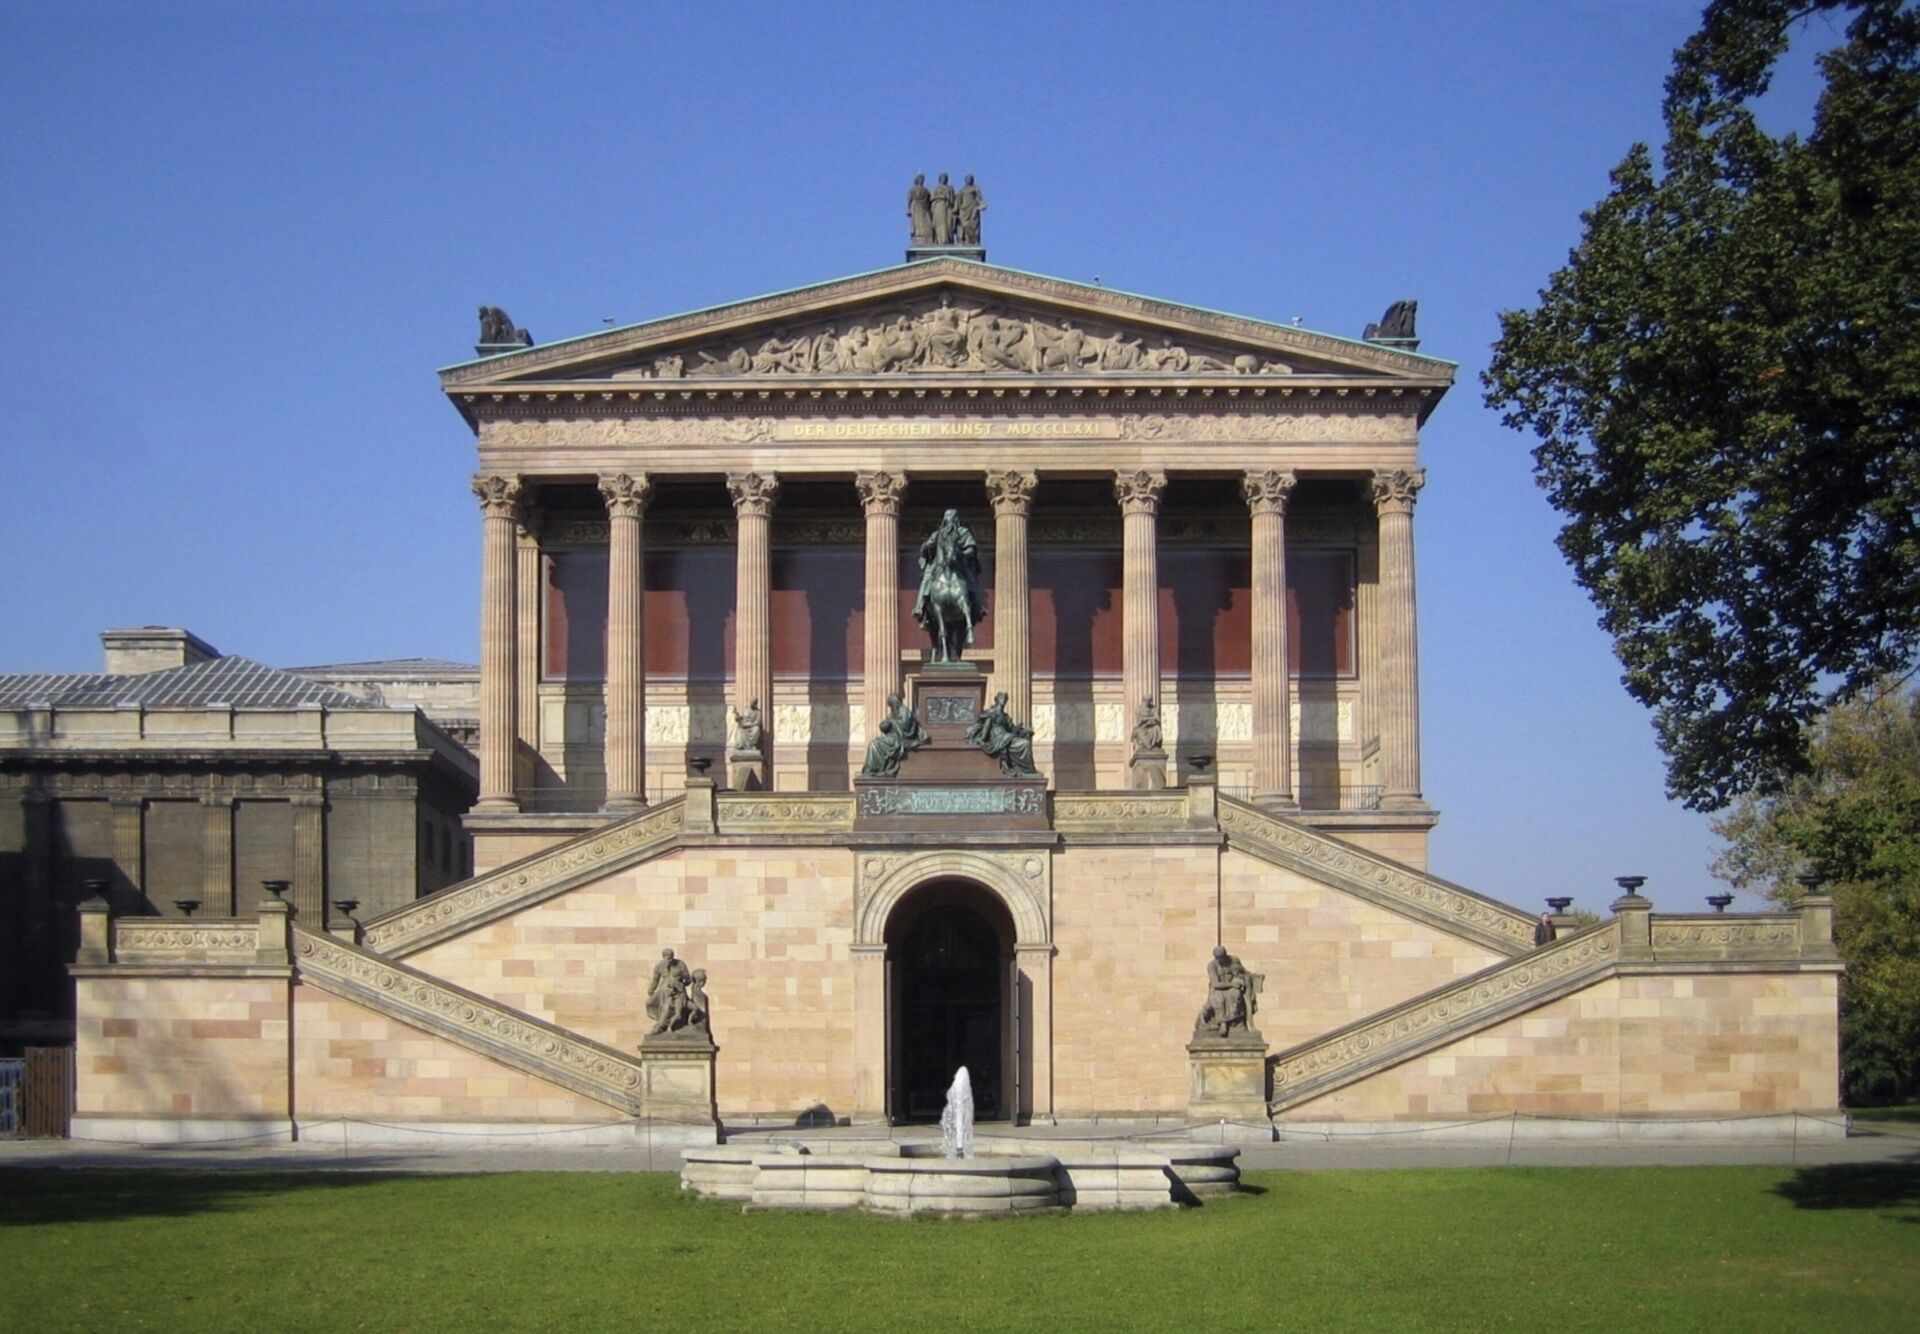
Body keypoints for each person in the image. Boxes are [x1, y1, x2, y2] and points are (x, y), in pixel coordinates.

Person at [912, 509, 986, 628]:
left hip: (960, 564)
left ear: (956, 520)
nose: (949, 519)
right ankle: (920, 608)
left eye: (952, 517)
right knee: (926, 580)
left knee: (971, 581)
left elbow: (971, 550)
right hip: (938, 565)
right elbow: (927, 547)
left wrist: (962, 554)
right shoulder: (938, 534)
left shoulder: (963, 532)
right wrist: (926, 547)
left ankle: (978, 608)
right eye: (947, 517)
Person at [968, 691, 1038, 776]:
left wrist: (1024, 731)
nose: (1003, 700)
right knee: (1023, 743)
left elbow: (1012, 730)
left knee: (1025, 743)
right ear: (997, 700)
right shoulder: (992, 713)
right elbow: (986, 729)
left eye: (1005, 699)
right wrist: (982, 739)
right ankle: (1012, 766)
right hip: (997, 738)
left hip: (1006, 737)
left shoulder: (1005, 716)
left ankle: (1027, 770)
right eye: (1001, 698)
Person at [1197, 945, 1256, 1038]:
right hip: (1218, 988)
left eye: (1222, 957)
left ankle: (1235, 1023)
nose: (1220, 960)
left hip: (1232, 988)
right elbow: (1215, 984)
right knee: (1219, 999)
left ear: (1225, 955)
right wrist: (1231, 984)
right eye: (1218, 958)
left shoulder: (1234, 960)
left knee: (1236, 995)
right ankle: (1222, 1023)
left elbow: (1243, 972)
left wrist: (1250, 977)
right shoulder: (1212, 965)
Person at [646, 948, 692, 1034]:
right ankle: (661, 1024)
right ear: (663, 957)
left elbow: (688, 978)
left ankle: (663, 1026)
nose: (669, 960)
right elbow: (655, 980)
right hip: (665, 990)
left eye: (671, 957)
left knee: (669, 1008)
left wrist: (683, 980)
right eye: (667, 958)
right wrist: (651, 989)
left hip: (678, 990)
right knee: (651, 1003)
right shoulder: (659, 966)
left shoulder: (680, 964)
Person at [955, 174, 986, 245]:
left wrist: (980, 206)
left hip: (973, 208)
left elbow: (980, 199)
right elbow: (958, 201)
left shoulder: (976, 188)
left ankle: (973, 240)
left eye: (970, 178)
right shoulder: (962, 190)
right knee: (964, 224)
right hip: (964, 210)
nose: (969, 180)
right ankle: (965, 239)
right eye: (967, 179)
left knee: (973, 225)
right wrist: (958, 209)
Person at [907, 174, 933, 246]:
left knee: (926, 222)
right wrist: (908, 208)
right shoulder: (912, 190)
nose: (922, 181)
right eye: (920, 179)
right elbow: (909, 199)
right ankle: (919, 236)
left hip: (925, 208)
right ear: (917, 180)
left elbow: (930, 201)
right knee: (918, 222)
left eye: (923, 179)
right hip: (916, 207)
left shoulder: (926, 191)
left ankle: (927, 236)